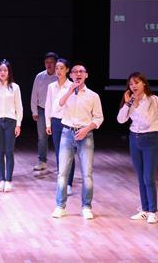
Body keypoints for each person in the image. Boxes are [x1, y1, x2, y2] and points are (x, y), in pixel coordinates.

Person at [51, 63, 103, 220]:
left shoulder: (93, 96)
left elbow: (99, 118)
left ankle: (86, 207)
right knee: (62, 173)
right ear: (71, 75)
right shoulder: (64, 92)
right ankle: (60, 206)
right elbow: (56, 108)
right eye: (75, 72)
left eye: (81, 72)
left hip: (85, 134)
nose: (78, 74)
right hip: (67, 133)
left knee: (87, 174)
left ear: (86, 75)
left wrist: (86, 129)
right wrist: (69, 91)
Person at [117, 72, 158, 224]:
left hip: (150, 139)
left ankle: (152, 212)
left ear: (144, 83)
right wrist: (127, 104)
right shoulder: (130, 100)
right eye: (130, 84)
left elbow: (147, 122)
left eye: (136, 82)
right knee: (141, 177)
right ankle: (144, 210)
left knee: (149, 177)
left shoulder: (153, 99)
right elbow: (121, 119)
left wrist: (135, 104)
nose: (133, 86)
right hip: (134, 138)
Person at [0, 60, 23, 192]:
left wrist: (18, 124)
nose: (2, 72)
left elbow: (19, 107)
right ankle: (1, 179)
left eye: (5, 70)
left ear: (9, 72)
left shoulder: (15, 87)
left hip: (10, 122)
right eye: (0, 70)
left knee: (9, 151)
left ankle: (8, 180)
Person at [45, 58, 75, 195]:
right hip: (56, 122)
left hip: (68, 122)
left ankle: (69, 183)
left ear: (67, 70)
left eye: (61, 68)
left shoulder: (72, 86)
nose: (58, 71)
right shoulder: (51, 86)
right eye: (57, 68)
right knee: (58, 153)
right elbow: (48, 105)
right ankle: (62, 180)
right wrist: (48, 123)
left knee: (69, 153)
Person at [30, 52, 59, 172]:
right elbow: (34, 94)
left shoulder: (60, 76)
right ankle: (42, 161)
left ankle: (61, 164)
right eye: (47, 62)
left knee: (58, 137)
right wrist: (34, 111)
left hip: (57, 111)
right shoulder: (40, 76)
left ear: (56, 63)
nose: (49, 64)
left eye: (51, 62)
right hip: (42, 110)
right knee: (42, 137)